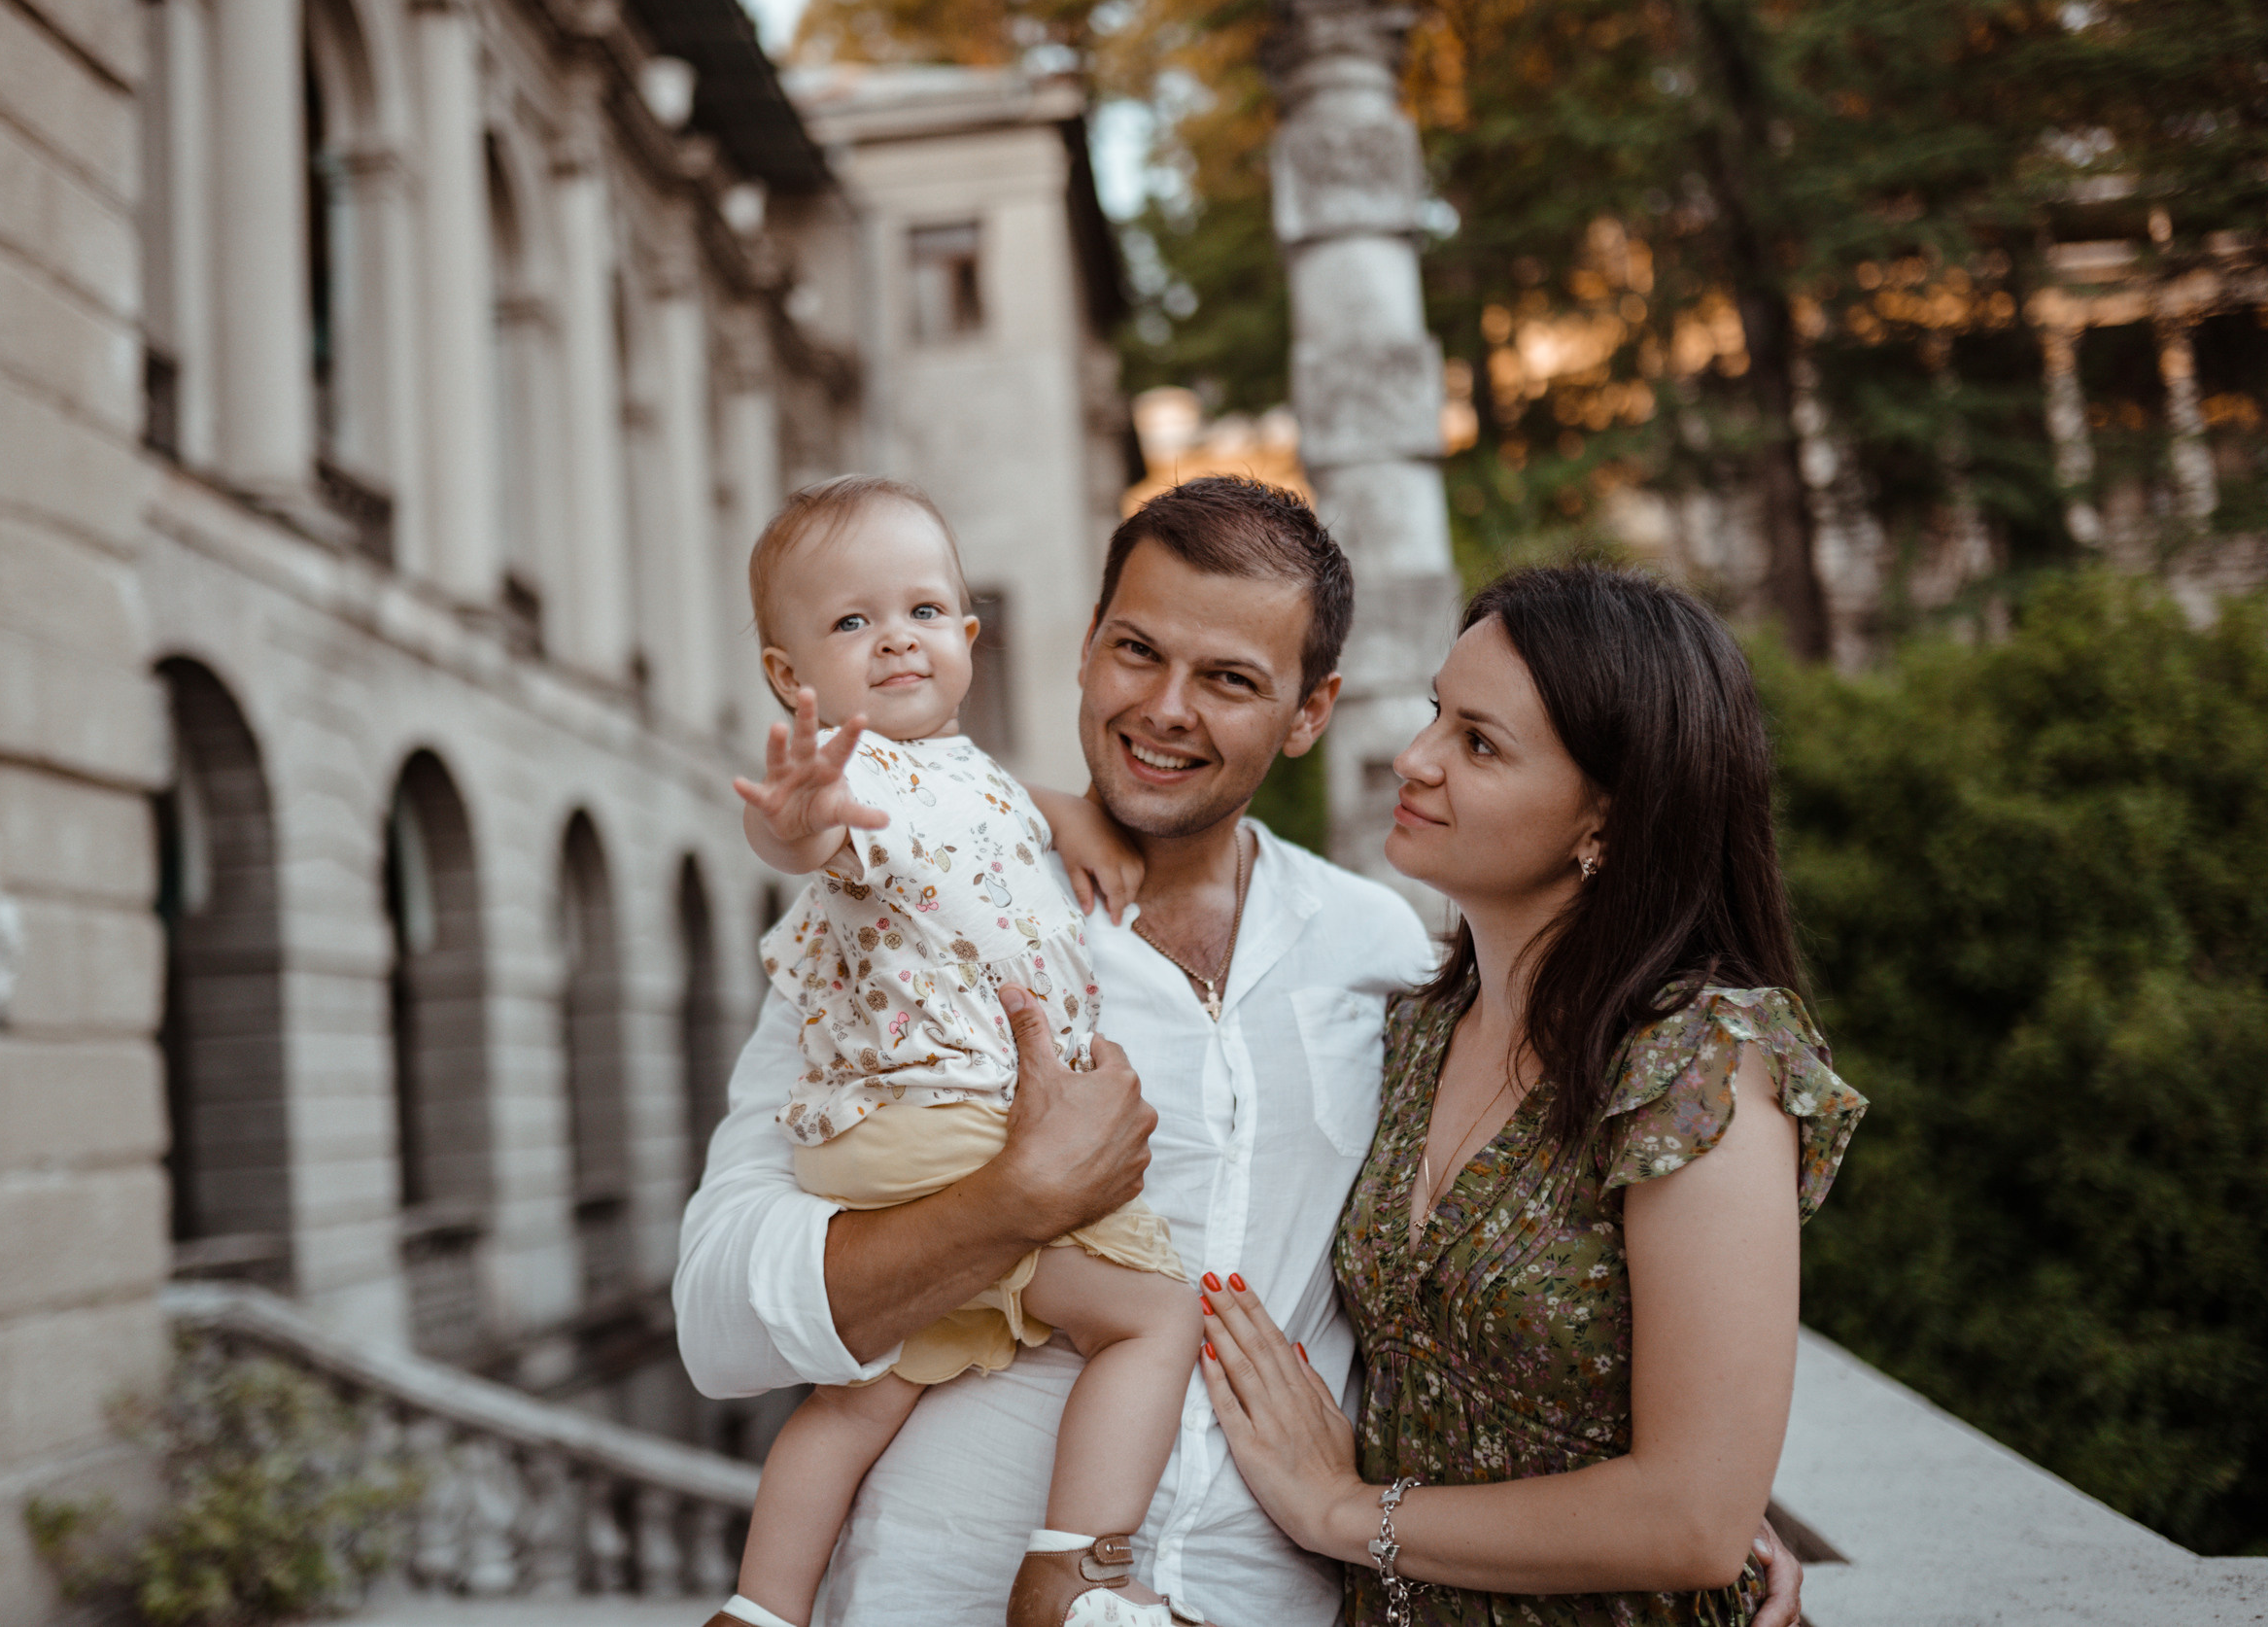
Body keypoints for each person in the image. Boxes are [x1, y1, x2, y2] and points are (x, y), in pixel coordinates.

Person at [676, 479, 1810, 1626]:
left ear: (1308, 711)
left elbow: (1491, 1284)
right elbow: (720, 1318)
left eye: (1228, 679)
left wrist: (1681, 1509)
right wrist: (1011, 1204)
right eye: (1137, 651)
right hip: (946, 1589)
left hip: (1271, 1601)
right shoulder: (911, 922)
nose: (1167, 709)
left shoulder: (1381, 953)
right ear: (1084, 648)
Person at [1194, 563, 1867, 1625]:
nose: (1412, 761)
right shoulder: (1411, 1028)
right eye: (1435, 715)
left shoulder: (1698, 1063)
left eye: (1478, 743)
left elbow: (1691, 1519)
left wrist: (1342, 1511)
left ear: (1606, 817)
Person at [713, 475, 1204, 1627]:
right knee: (1152, 1315)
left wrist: (1065, 814)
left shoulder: (969, 776)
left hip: (880, 1141)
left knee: (857, 1399)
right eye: (850, 622)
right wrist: (789, 818)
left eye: (924, 612)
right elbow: (818, 832)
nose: (895, 639)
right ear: (792, 678)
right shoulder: (847, 777)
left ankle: (759, 1609)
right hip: (949, 1120)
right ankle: (1078, 1576)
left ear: (967, 637)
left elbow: (976, 802)